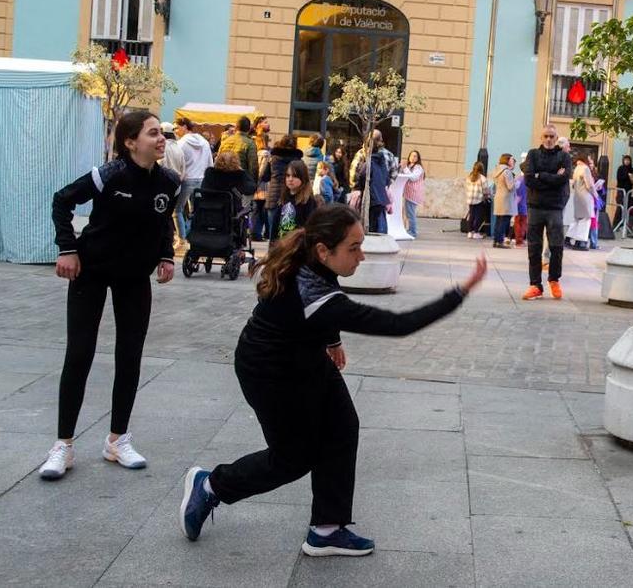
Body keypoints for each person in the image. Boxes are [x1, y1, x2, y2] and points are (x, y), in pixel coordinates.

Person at [178, 205, 488, 552]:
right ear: (325, 250)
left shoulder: (313, 257)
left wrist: (331, 339)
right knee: (292, 458)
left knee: (342, 426)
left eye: (361, 244)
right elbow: (397, 324)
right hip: (269, 372)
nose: (362, 256)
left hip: (305, 357)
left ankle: (327, 528)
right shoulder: (316, 293)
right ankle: (211, 486)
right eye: (353, 249)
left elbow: (318, 303)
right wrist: (458, 293)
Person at [41, 111, 179, 480]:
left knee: (130, 355)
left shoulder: (170, 181)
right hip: (92, 270)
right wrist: (67, 249)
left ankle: (117, 440)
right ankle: (63, 446)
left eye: (161, 133)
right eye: (153, 133)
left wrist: (166, 255)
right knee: (80, 353)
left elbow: (163, 220)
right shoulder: (108, 175)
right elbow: (61, 201)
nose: (161, 138)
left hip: (135, 277)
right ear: (131, 142)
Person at [522, 125, 572, 300]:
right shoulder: (533, 154)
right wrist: (553, 178)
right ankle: (535, 284)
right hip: (535, 206)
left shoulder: (564, 156)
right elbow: (528, 179)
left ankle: (554, 279)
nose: (549, 139)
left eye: (552, 136)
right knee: (534, 248)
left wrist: (540, 175)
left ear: (556, 137)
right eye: (546, 136)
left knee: (557, 246)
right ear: (541, 138)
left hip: (555, 208)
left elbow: (564, 178)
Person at [174, 117, 213, 241]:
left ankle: (182, 238)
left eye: (177, 127)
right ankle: (190, 234)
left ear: (184, 126)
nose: (176, 131)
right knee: (195, 211)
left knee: (177, 210)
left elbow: (178, 162)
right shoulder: (205, 142)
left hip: (186, 179)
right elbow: (210, 164)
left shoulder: (181, 143)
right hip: (201, 179)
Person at [262, 135, 303, 243]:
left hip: (274, 196)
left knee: (273, 233)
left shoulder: (273, 158)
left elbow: (264, 176)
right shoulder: (298, 161)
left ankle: (272, 256)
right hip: (292, 197)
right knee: (290, 233)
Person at [353, 135, 391, 234]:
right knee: (376, 223)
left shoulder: (369, 163)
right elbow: (387, 179)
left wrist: (358, 188)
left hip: (372, 198)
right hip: (381, 198)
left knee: (369, 224)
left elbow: (361, 177)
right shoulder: (381, 161)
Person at [274, 160, 318, 240]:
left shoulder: (308, 201)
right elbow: (275, 226)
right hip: (282, 245)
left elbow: (310, 229)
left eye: (294, 176)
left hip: (298, 247)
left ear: (303, 178)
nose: (290, 179)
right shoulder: (283, 199)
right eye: (288, 175)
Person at [160, 122, 187, 246]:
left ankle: (167, 239)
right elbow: (183, 170)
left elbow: (160, 165)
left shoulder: (163, 148)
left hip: (164, 183)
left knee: (164, 213)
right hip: (177, 184)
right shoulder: (179, 149)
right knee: (172, 212)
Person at [567, 154, 595, 251]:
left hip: (577, 196)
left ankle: (568, 238)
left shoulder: (576, 169)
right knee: (585, 220)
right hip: (585, 197)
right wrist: (596, 195)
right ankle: (580, 242)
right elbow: (589, 185)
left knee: (576, 219)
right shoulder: (585, 168)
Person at [491, 154, 517, 248]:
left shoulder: (497, 170)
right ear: (507, 160)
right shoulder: (507, 172)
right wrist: (515, 180)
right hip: (506, 199)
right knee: (504, 221)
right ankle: (500, 242)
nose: (512, 161)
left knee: (498, 221)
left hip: (498, 197)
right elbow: (510, 187)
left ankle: (496, 241)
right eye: (511, 159)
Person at [402, 150, 425, 238]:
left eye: (415, 156)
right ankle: (409, 229)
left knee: (410, 213)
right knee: (408, 213)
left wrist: (405, 168)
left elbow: (413, 178)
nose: (413, 157)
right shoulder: (409, 166)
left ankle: (413, 231)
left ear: (418, 158)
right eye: (411, 155)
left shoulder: (418, 167)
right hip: (408, 193)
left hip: (413, 194)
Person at [464, 162, 489, 240]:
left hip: (470, 199)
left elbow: (466, 187)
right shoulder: (482, 178)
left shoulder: (469, 177)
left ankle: (469, 232)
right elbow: (485, 191)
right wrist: (487, 196)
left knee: (471, 215)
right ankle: (476, 232)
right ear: (482, 169)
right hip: (478, 200)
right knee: (478, 217)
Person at [614, 155, 633, 229]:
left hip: (629, 191)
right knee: (620, 207)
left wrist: (632, 178)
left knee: (627, 208)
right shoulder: (621, 168)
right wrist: (627, 175)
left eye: (628, 160)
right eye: (625, 160)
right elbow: (619, 178)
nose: (627, 161)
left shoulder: (632, 169)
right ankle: (615, 224)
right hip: (621, 191)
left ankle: (625, 225)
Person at [513, 155, 528, 247]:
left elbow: (516, 192)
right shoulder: (528, 180)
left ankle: (519, 239)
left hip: (519, 204)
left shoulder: (519, 179)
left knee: (518, 223)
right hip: (523, 205)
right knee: (521, 224)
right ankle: (519, 240)